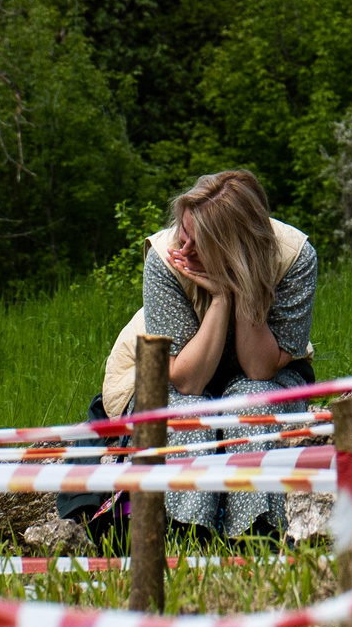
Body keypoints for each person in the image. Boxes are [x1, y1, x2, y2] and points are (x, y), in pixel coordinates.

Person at [118, 169, 317, 541]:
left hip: (265, 374)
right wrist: (220, 300)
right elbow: (187, 380)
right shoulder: (163, 258)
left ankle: (258, 537)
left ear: (234, 246)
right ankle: (187, 537)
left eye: (199, 241)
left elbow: (260, 369)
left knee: (253, 402)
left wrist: (240, 284)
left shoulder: (295, 256)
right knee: (187, 414)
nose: (183, 245)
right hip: (177, 378)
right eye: (183, 230)